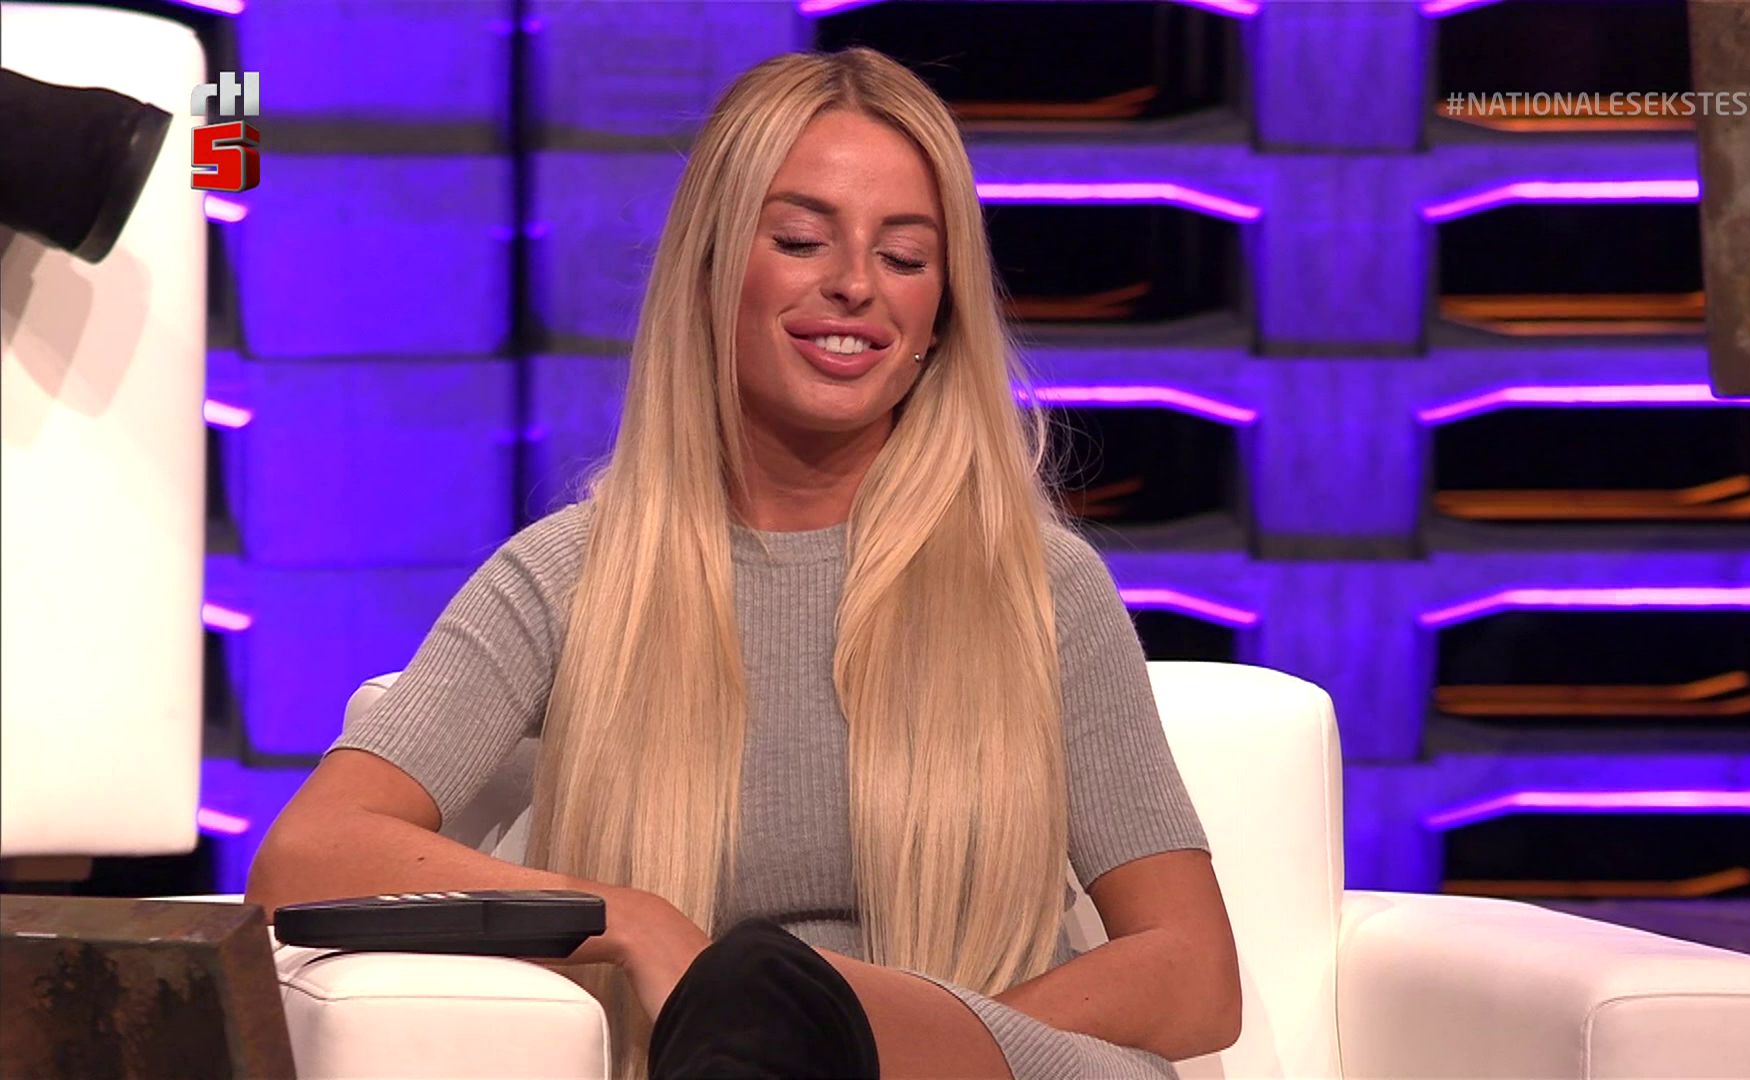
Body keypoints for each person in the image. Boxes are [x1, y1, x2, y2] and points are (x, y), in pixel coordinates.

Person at [245, 47, 1240, 1080]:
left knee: (771, 995)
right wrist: (626, 919)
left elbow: (1194, 973)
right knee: (748, 1005)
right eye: (802, 240)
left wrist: (904, 1041)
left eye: (906, 257)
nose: (856, 285)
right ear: (714, 267)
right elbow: (307, 857)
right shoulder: (571, 578)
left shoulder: (1040, 587)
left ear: (940, 317)